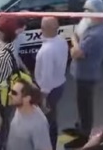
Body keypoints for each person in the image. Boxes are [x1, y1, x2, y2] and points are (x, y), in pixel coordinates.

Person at [65, 0, 103, 148]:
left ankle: (84, 135)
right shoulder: (90, 27)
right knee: (81, 103)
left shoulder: (95, 34)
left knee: (85, 106)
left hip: (87, 75)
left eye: (88, 11)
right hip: (82, 73)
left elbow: (76, 52)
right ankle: (80, 127)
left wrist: (74, 41)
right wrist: (75, 40)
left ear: (96, 13)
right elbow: (75, 36)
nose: (85, 13)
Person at [34, 17, 68, 150]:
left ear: (43, 29)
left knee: (47, 121)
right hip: (59, 84)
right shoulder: (61, 41)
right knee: (52, 116)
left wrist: (42, 97)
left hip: (49, 89)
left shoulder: (46, 51)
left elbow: (46, 77)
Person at [6, 79, 51, 150]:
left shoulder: (39, 124)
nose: (9, 94)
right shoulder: (19, 108)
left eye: (14, 93)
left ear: (27, 98)